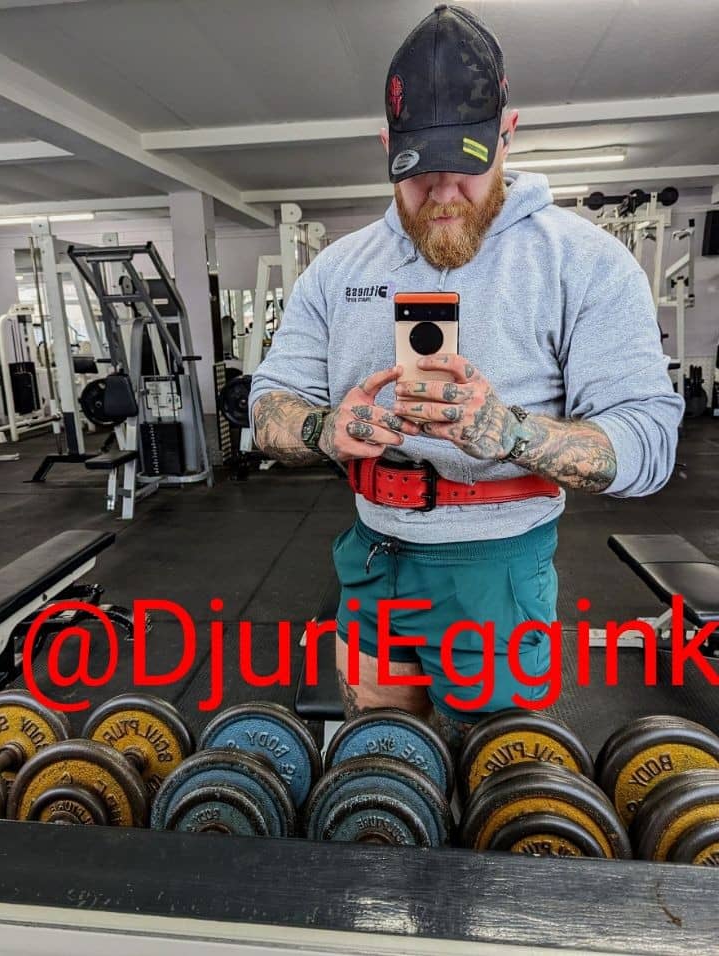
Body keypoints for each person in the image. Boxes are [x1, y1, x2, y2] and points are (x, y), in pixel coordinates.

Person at [249, 5, 684, 750]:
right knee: (381, 760)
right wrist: (324, 428)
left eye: (468, 164)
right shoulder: (337, 268)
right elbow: (268, 405)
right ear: (388, 148)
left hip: (496, 572)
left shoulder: (582, 261)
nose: (445, 193)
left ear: (507, 135)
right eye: (421, 171)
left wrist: (510, 432)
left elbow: (648, 442)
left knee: (494, 776)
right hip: (371, 552)